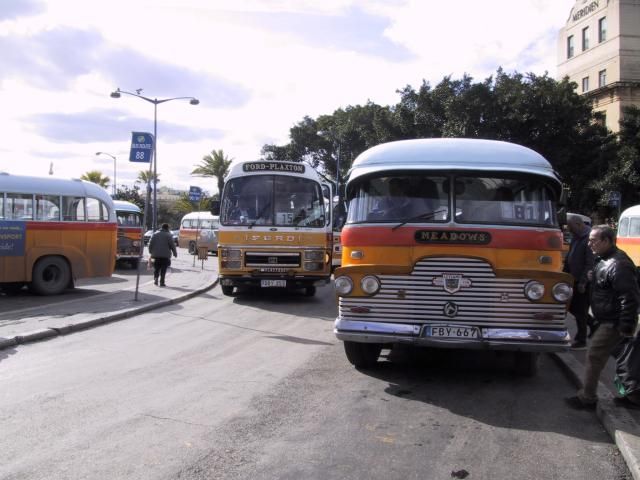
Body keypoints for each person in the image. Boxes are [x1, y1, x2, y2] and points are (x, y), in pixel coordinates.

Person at [565, 225, 640, 410]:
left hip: (614, 322)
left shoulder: (618, 264)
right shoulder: (605, 260)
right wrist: (593, 276)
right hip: (607, 319)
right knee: (625, 358)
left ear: (606, 241)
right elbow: (607, 287)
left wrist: (626, 326)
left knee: (594, 355)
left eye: (593, 240)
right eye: (589, 240)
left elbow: (629, 297)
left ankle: (587, 398)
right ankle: (633, 396)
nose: (589, 244)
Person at [563, 214, 595, 349]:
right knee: (572, 307)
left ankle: (581, 340)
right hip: (573, 279)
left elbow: (589, 263)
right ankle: (594, 324)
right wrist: (564, 275)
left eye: (570, 227)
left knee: (580, 310)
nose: (569, 230)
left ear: (578, 224)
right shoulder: (577, 237)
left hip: (582, 282)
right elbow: (570, 258)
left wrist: (583, 282)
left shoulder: (589, 238)